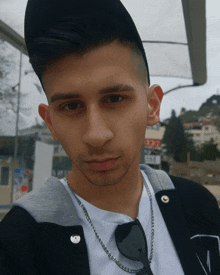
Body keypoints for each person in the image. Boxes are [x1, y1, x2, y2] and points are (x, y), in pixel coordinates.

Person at [0, 0, 220, 274]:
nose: (96, 135)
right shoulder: (18, 242)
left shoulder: (198, 208)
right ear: (51, 122)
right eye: (71, 106)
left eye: (115, 99)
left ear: (152, 106)